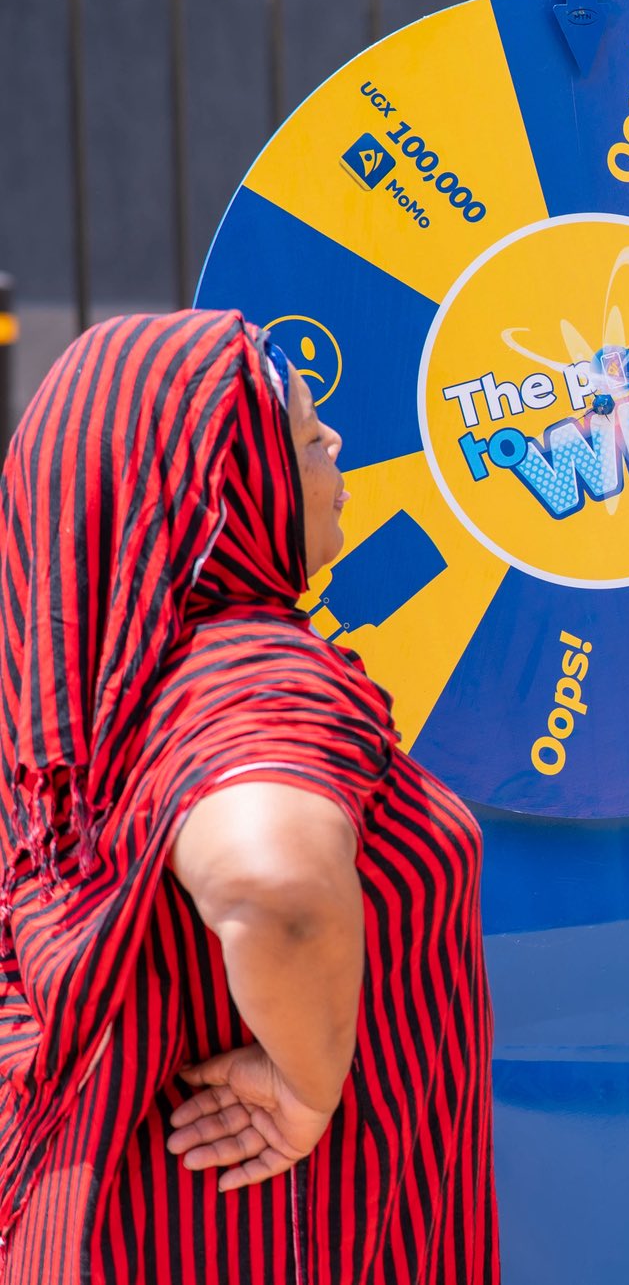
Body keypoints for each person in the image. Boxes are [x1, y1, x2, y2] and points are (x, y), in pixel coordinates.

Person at [0, 312, 497, 1282]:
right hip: (268, 1231)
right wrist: (306, 1091)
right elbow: (274, 883)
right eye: (305, 437)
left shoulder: (83, 693)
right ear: (229, 489)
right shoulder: (248, 668)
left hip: (105, 1218)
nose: (335, 443)